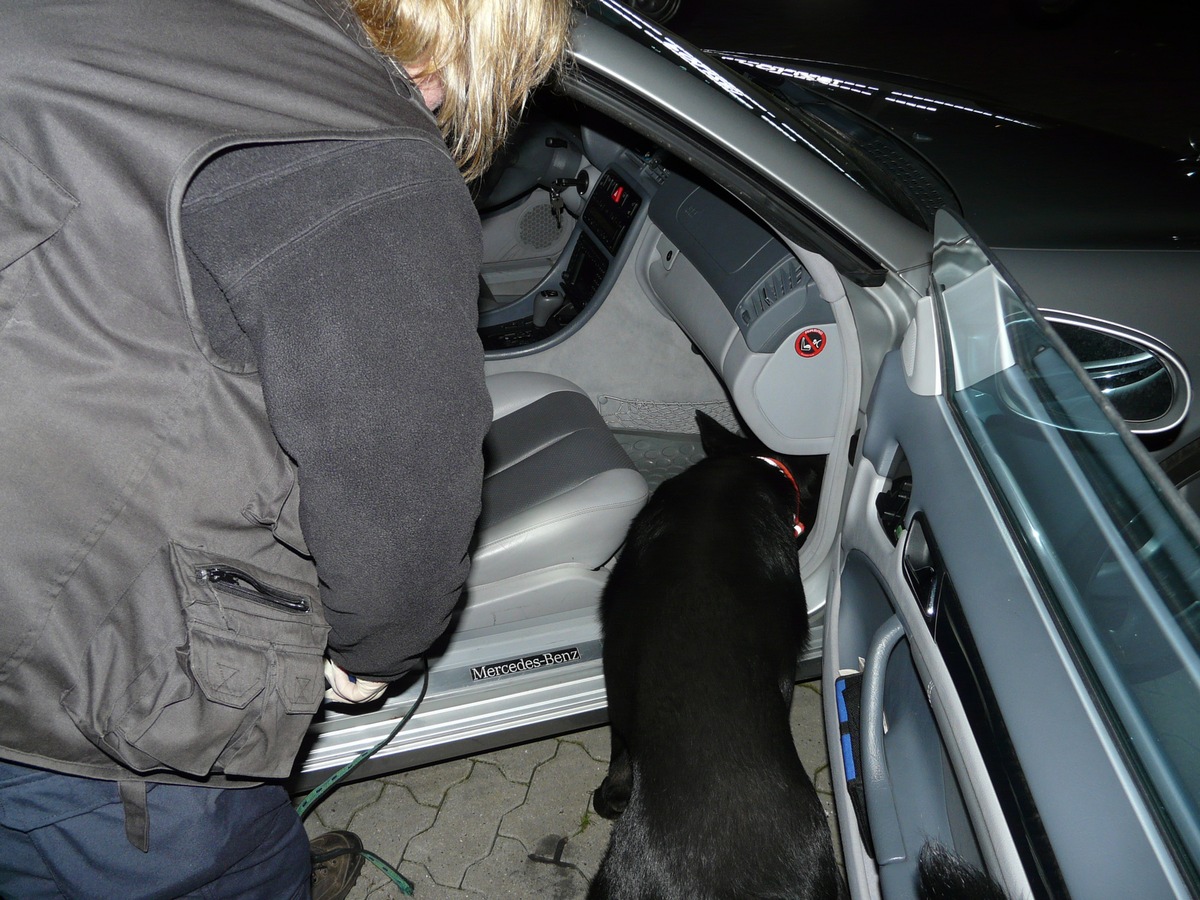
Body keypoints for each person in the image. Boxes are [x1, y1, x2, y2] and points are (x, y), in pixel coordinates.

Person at [0, 0, 570, 896]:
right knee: (219, 869)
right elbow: (398, 491)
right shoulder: (361, 155)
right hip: (91, 710)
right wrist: (375, 653)